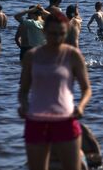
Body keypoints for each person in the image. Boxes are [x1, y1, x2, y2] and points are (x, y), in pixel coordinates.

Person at [18, 13, 92, 170]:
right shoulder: (32, 56)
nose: (57, 38)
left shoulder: (73, 55)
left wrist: (81, 106)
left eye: (62, 34)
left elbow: (86, 89)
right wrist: (23, 105)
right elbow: (23, 90)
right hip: (36, 122)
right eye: (53, 33)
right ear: (44, 31)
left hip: (65, 120)